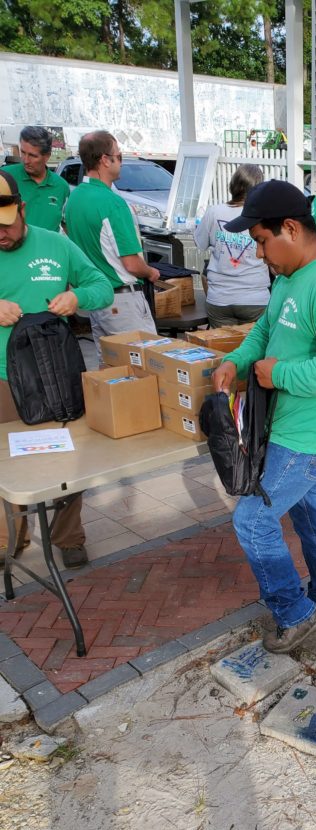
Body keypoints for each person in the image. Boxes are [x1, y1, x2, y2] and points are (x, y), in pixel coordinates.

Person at [210, 180, 316, 652]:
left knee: (252, 521)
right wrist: (236, 361)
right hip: (293, 428)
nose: (259, 254)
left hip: (311, 436)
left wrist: (280, 375)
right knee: (311, 515)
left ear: (291, 228)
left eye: (261, 241)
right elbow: (266, 327)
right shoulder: (290, 275)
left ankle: (295, 613)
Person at [0, 169, 113, 569]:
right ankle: (10, 539)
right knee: (6, 467)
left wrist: (76, 295)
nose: (1, 233)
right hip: (3, 378)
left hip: (56, 373)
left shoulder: (56, 245)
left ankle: (68, 536)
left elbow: (103, 286)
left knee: (66, 460)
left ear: (22, 209)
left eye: (6, 223)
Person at [64, 131, 159, 356]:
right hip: (122, 300)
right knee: (149, 367)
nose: (121, 161)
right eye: (119, 155)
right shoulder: (113, 203)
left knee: (112, 371)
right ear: (105, 160)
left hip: (97, 299)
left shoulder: (74, 199)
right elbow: (132, 264)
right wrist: (151, 271)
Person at [194, 164, 270, 327]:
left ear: (233, 184)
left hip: (219, 298)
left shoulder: (214, 212)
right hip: (255, 297)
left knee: (222, 349)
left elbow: (199, 243)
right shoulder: (264, 216)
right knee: (256, 349)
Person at [2, 126, 70, 232]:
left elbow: (66, 227)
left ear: (47, 156)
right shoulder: (5, 177)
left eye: (33, 156)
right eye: (23, 152)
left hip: (47, 248)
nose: (25, 160)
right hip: (13, 248)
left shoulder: (61, 187)